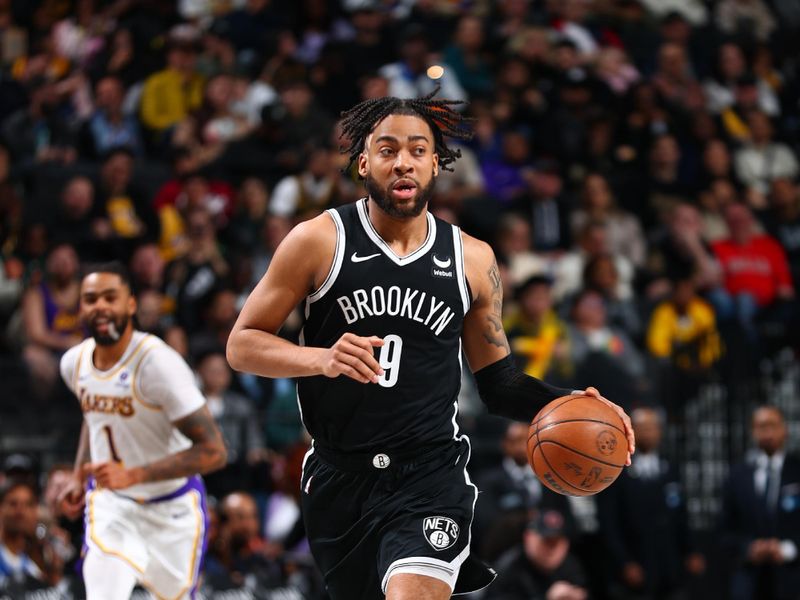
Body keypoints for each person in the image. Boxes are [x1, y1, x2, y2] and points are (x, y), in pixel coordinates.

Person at [226, 91, 634, 600]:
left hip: (429, 474)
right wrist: (321, 358)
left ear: (436, 164)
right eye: (388, 149)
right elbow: (242, 345)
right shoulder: (319, 240)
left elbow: (499, 385)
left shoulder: (472, 259)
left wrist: (571, 403)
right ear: (362, 162)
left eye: (418, 150)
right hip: (339, 477)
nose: (403, 162)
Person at [55, 262, 227, 600]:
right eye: (90, 299)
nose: (100, 306)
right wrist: (77, 476)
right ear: (81, 308)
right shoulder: (73, 363)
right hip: (112, 504)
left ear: (130, 305)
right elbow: (94, 420)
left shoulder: (158, 365)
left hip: (173, 508)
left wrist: (134, 475)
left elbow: (214, 451)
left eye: (110, 297)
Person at [720, 405, 800, 600]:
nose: (767, 432)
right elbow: (724, 529)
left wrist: (788, 549)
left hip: (792, 578)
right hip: (749, 581)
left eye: (772, 425)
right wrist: (748, 548)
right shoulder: (737, 475)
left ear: (784, 429)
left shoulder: (797, 470)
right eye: (761, 426)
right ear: (753, 431)